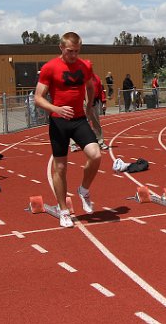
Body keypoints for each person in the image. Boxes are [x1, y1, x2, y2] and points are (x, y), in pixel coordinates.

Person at [34, 32, 102, 228]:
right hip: (59, 122)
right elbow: (38, 98)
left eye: (77, 51)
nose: (73, 55)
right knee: (61, 168)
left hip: (79, 120)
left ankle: (84, 189)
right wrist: (56, 108)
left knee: (96, 155)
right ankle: (64, 210)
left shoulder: (85, 66)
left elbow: (90, 85)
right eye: (70, 51)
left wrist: (89, 106)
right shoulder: (50, 67)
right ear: (61, 48)